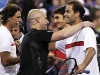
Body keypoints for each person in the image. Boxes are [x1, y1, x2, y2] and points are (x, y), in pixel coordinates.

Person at [17, 9, 95, 75]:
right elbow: (63, 34)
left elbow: (45, 59)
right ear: (38, 19)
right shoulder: (37, 34)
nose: (47, 22)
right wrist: (82, 24)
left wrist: (67, 63)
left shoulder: (29, 37)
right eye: (45, 18)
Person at [56, 0, 99, 75]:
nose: (65, 14)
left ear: (77, 14)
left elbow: (91, 50)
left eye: (68, 11)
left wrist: (83, 65)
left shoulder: (87, 30)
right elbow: (51, 45)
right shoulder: (67, 36)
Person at [0, 4, 22, 75]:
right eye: (18, 17)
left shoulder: (5, 32)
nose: (20, 20)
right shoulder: (4, 34)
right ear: (9, 17)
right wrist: (25, 57)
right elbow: (5, 61)